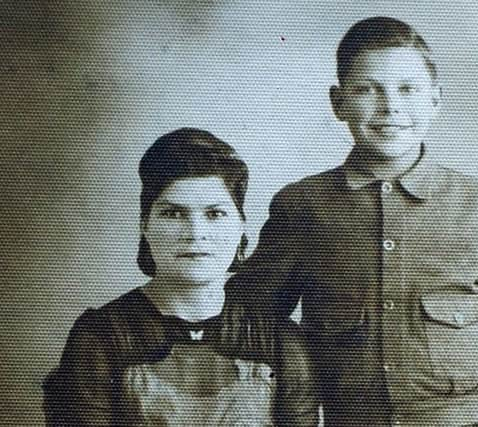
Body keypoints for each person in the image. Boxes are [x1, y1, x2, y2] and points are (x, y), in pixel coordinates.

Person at [225, 17, 478, 426]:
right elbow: (246, 318)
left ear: (436, 100)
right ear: (338, 103)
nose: (390, 107)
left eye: (408, 89)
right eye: (366, 89)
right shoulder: (303, 207)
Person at [43, 128, 318, 426]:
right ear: (145, 225)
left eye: (215, 214)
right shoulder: (101, 337)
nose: (195, 233)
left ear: (241, 226)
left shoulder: (280, 341)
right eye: (173, 214)